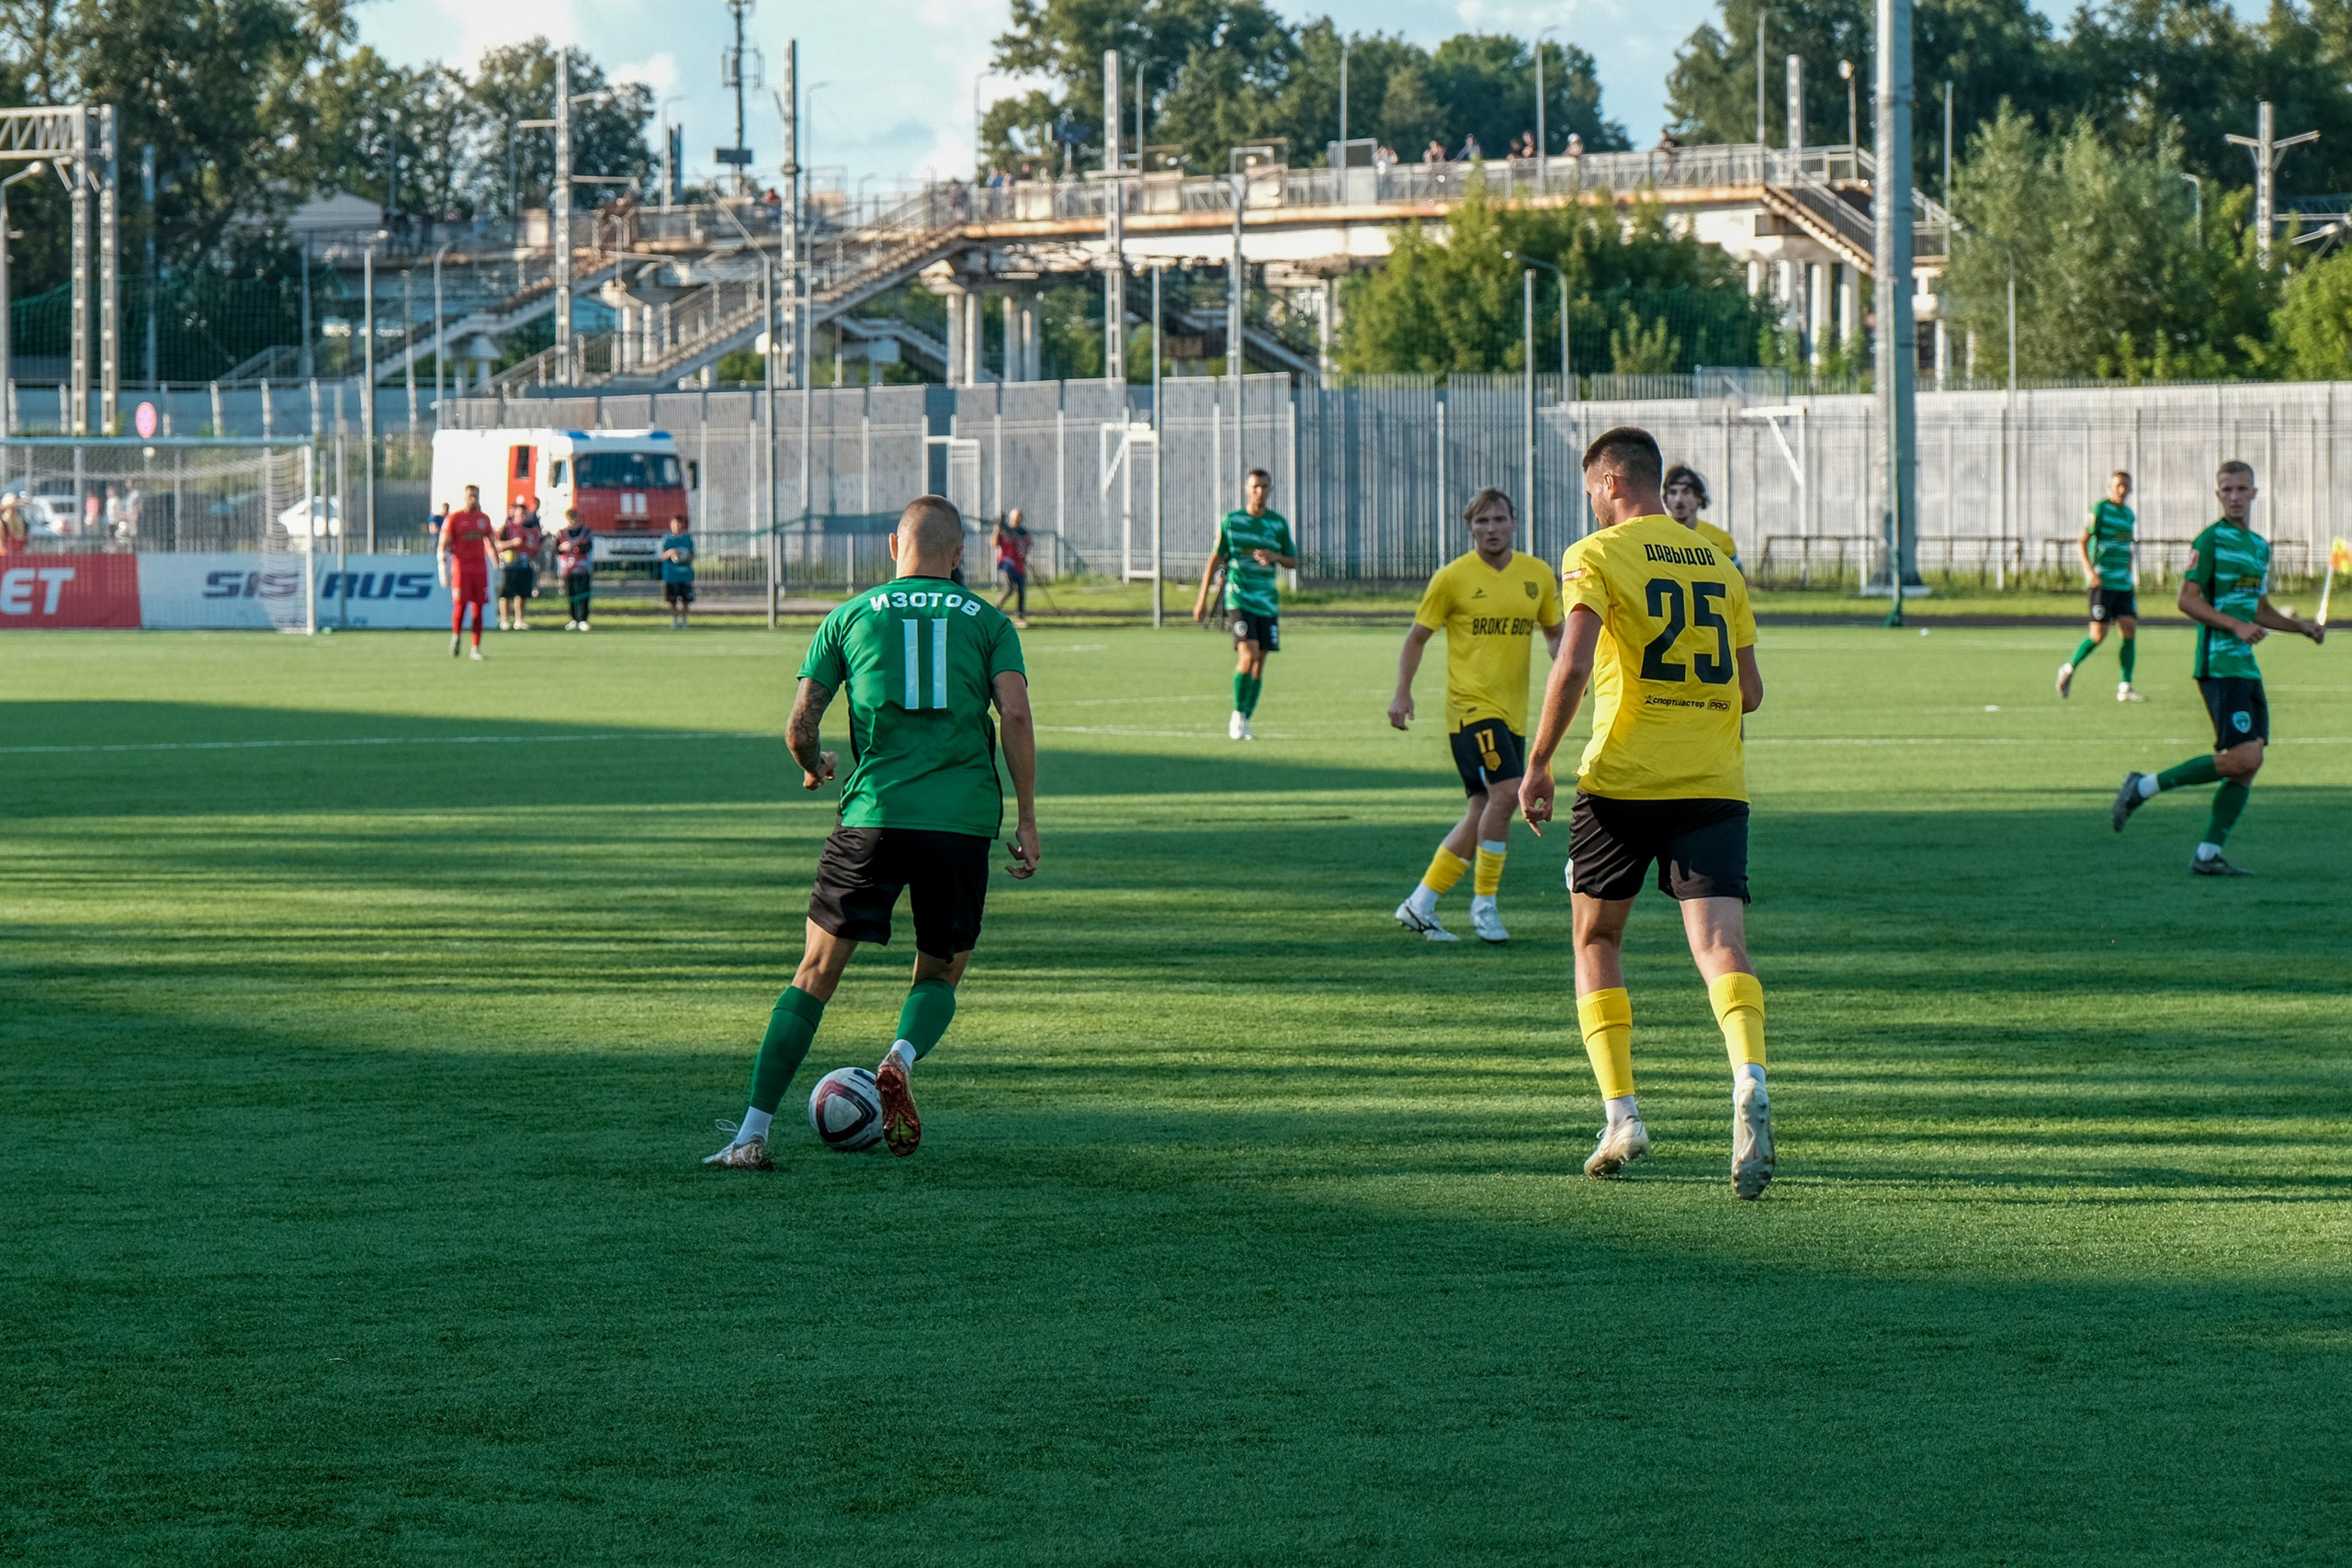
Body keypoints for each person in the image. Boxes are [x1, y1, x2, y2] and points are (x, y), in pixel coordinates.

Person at [705, 495, 1039, 1170]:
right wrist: (1028, 816)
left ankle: (750, 1134)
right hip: (961, 822)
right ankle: (900, 1056)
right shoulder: (991, 621)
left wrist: (814, 765)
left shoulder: (849, 616)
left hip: (872, 818)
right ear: (959, 555)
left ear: (893, 546)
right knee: (941, 969)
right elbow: (1017, 713)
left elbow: (800, 723)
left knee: (815, 972)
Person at [1520, 425, 1774, 1200]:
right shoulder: (1719, 564)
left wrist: (1538, 762)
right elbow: (1751, 692)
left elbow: (1571, 658)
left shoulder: (1594, 555)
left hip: (1623, 778)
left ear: (1605, 486)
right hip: (1713, 778)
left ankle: (1623, 1114)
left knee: (1596, 936)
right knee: (1721, 943)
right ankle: (1748, 1075)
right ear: (1660, 484)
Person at [2109, 460, 2324, 875]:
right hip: (2219, 665)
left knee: (2251, 761)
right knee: (2242, 758)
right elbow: (2187, 600)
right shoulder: (2209, 541)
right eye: (2226, 489)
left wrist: (2301, 627)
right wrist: (2235, 625)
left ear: (2255, 494)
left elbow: (2260, 609)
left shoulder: (2259, 547)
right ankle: (2142, 786)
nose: (2235, 496)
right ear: (2217, 495)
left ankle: (2208, 856)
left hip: (2245, 667)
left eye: (2242, 489)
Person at [1389, 487, 1565, 944]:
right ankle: (1484, 905)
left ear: (1513, 523)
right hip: (1469, 710)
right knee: (1507, 793)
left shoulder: (1538, 575)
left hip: (1515, 714)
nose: (1492, 529)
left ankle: (1420, 903)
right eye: (1482, 521)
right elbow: (1416, 638)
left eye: (1499, 520)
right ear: (1470, 527)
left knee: (1483, 808)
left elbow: (1554, 634)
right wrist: (1402, 694)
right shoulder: (1452, 578)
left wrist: (1572, 675)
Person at [1192, 468, 1296, 741]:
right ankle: (1237, 717)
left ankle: (1245, 718)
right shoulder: (1232, 522)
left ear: (1271, 489)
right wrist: (1201, 600)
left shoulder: (1278, 524)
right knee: (1247, 655)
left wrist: (1275, 556)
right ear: (1246, 489)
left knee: (1260, 662)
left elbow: (1293, 560)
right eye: (1255, 487)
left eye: (1264, 486)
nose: (1260, 491)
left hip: (1267, 603)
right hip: (1239, 598)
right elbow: (1215, 560)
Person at [2058, 471, 2143, 701]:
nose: (2122, 489)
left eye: (2126, 485)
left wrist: (2128, 570)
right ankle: (2068, 668)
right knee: (2098, 635)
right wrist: (2089, 569)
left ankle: (2125, 686)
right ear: (2110, 487)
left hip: (2122, 584)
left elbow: (2126, 548)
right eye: (2118, 485)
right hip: (2102, 583)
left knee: (2129, 629)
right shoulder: (2100, 511)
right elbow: (2082, 541)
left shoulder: (2128, 515)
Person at [437, 484, 496, 660]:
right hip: (461, 568)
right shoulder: (455, 518)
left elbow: (491, 543)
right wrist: (443, 565)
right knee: (461, 606)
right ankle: (456, 636)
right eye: (470, 496)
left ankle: (475, 648)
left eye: (475, 496)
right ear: (464, 498)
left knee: (478, 608)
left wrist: (496, 564)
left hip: (480, 569)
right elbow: (443, 543)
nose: (473, 499)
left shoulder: (484, 519)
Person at [1661, 464, 1738, 570]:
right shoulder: (1657, 538)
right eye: (1673, 492)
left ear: (1699, 498)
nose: (1679, 499)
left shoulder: (1720, 540)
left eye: (1686, 491)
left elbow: (1738, 581)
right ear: (1665, 500)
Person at [496, 502, 544, 631]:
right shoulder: (507, 528)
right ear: (514, 514)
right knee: (506, 594)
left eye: (524, 513)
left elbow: (535, 547)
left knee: (522, 594)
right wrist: (511, 544)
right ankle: (504, 619)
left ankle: (519, 620)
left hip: (524, 565)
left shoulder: (532, 529)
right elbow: (497, 544)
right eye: (520, 513)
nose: (522, 516)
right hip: (509, 565)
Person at [555, 507, 595, 630]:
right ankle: (573, 618)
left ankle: (583, 619)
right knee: (570, 594)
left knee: (583, 593)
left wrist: (576, 546)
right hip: (568, 569)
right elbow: (556, 549)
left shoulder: (586, 532)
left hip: (582, 568)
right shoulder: (562, 533)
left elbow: (588, 547)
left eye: (574, 518)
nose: (572, 521)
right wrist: (562, 547)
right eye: (570, 519)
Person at [993, 509, 1034, 627]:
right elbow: (995, 543)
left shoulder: (1022, 532)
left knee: (1021, 591)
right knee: (1009, 589)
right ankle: (996, 609)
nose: (1018, 519)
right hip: (1007, 564)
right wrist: (997, 528)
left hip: (1019, 565)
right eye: (1016, 517)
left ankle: (1020, 617)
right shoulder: (1004, 531)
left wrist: (1020, 544)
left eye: (1020, 517)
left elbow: (1026, 546)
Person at [660, 514, 695, 628]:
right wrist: (671, 552)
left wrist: (685, 556)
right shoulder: (666, 539)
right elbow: (661, 555)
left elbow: (692, 554)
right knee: (672, 600)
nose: (678, 526)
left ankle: (684, 621)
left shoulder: (687, 538)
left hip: (685, 575)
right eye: (675, 523)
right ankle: (675, 620)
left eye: (680, 523)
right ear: (671, 524)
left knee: (686, 600)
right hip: (671, 576)